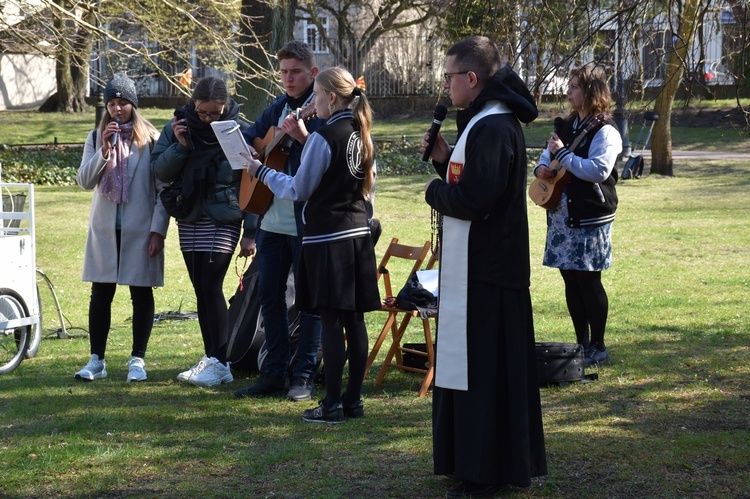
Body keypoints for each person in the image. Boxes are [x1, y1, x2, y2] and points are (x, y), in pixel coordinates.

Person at [422, 36, 547, 497]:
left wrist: (434, 193)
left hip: (490, 274)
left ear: (471, 79)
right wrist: (442, 164)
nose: (446, 85)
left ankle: (488, 471)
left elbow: (475, 201)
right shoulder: (483, 121)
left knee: (487, 375)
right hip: (477, 270)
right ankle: (469, 462)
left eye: (450, 76)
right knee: (472, 372)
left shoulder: (494, 126)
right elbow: (472, 187)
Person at [243, 66, 380, 423]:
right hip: (357, 235)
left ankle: (332, 404)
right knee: (355, 322)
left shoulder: (325, 135)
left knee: (332, 323)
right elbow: (366, 187)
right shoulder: (360, 132)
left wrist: (260, 172)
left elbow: (298, 189)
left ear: (331, 98)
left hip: (328, 240)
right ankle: (353, 401)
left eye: (316, 95)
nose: (312, 102)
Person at [151, 76, 258, 387]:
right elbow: (159, 170)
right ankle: (211, 358)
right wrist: (181, 146)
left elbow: (250, 183)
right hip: (189, 213)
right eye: (202, 112)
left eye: (215, 112)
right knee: (201, 287)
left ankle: (221, 361)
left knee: (211, 285)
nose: (209, 119)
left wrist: (251, 230)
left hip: (224, 215)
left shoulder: (239, 131)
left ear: (226, 106)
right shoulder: (177, 127)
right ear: (193, 104)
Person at [233, 40, 324, 401]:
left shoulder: (320, 109)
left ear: (312, 73)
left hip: (306, 222)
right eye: (283, 71)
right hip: (271, 220)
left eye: (296, 72)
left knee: (309, 300)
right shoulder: (278, 107)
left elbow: (321, 159)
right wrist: (258, 148)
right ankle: (273, 373)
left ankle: (303, 375)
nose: (288, 78)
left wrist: (300, 138)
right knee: (270, 297)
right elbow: (254, 135)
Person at [75, 73, 167, 382]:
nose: (117, 109)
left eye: (123, 103)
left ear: (133, 106)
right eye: (112, 103)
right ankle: (96, 360)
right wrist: (104, 151)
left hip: (140, 231)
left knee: (141, 294)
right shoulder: (94, 137)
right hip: (105, 231)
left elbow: (162, 191)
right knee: (101, 293)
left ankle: (137, 360)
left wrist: (158, 231)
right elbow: (84, 181)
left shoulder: (151, 141)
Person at [533, 64, 622, 366]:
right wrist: (542, 168)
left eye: (574, 87)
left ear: (591, 92)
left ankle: (599, 345)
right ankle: (581, 344)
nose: (568, 91)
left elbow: (598, 170)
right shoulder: (566, 125)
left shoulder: (606, 131)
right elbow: (547, 156)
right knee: (570, 280)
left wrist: (562, 156)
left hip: (589, 218)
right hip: (561, 215)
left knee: (588, 281)